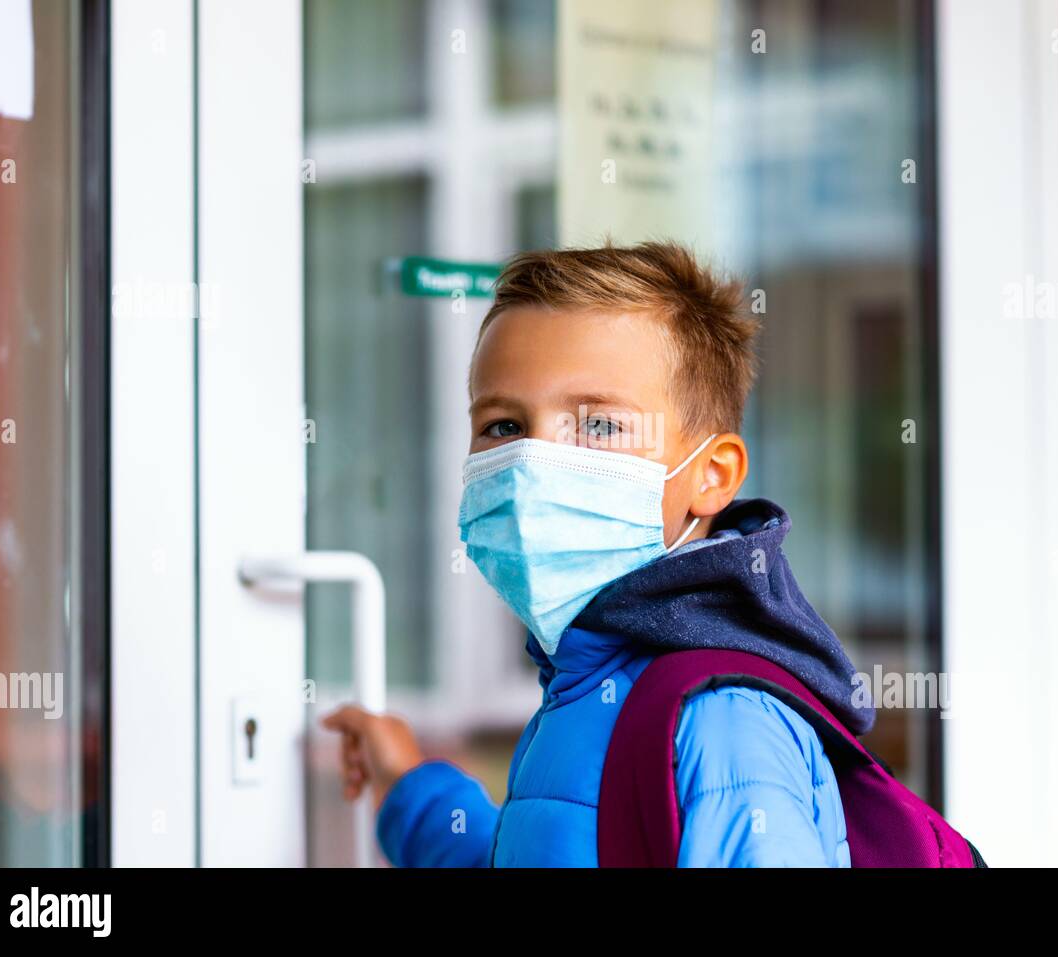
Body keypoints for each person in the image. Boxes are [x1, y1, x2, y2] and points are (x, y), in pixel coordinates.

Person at [322, 240, 873, 867]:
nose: (533, 462)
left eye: (600, 425)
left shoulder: (723, 722)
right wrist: (410, 784)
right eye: (503, 425)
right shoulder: (587, 679)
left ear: (713, 476)